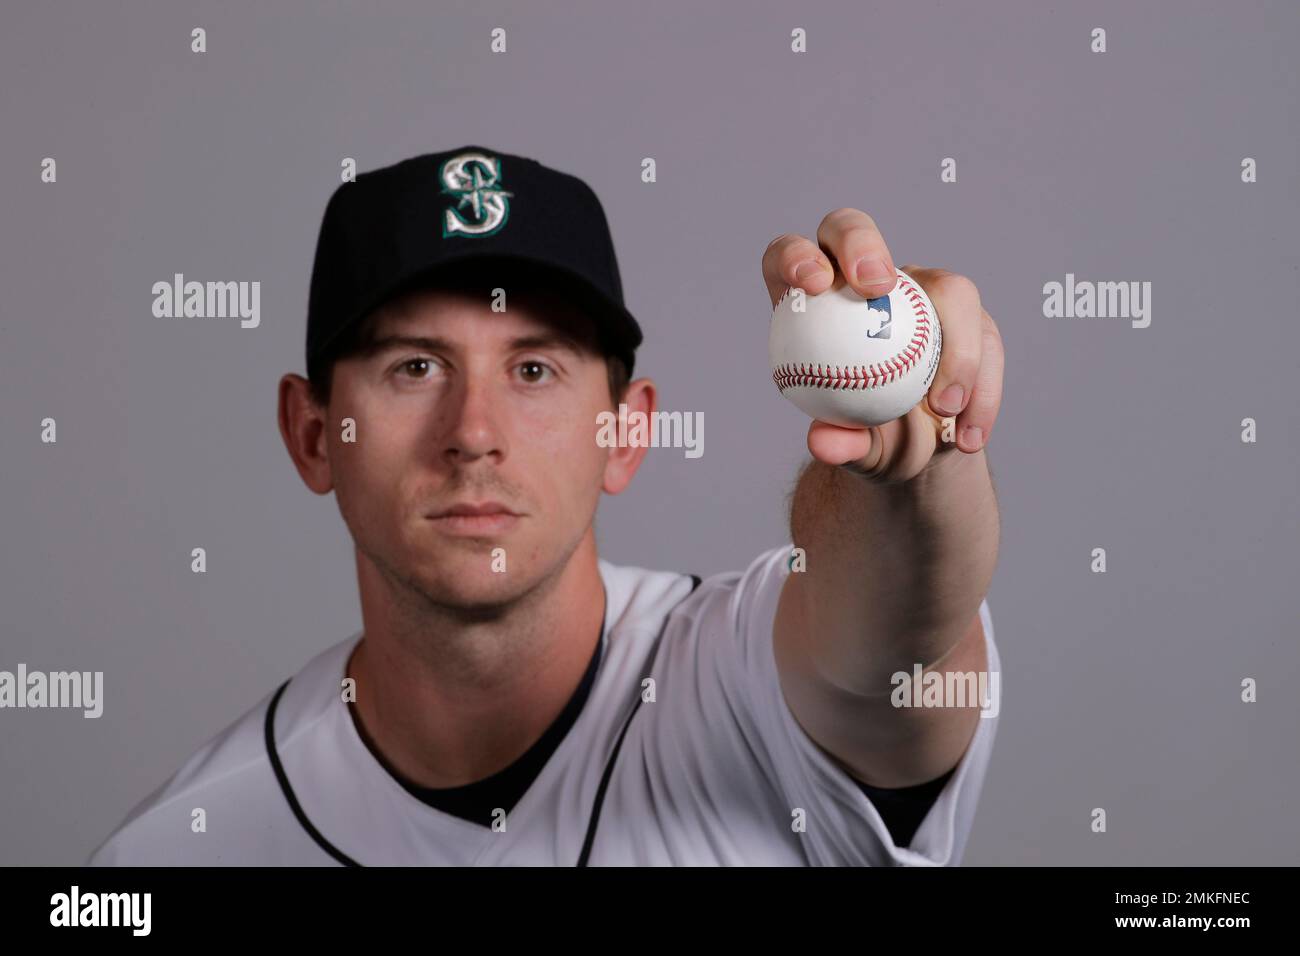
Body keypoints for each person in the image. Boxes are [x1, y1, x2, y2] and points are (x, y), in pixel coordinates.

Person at [89, 144, 1005, 866]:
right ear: (314, 433)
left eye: (534, 369)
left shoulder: (746, 690)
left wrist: (911, 471)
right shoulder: (173, 852)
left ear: (626, 432)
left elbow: (893, 641)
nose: (474, 431)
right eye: (415, 367)